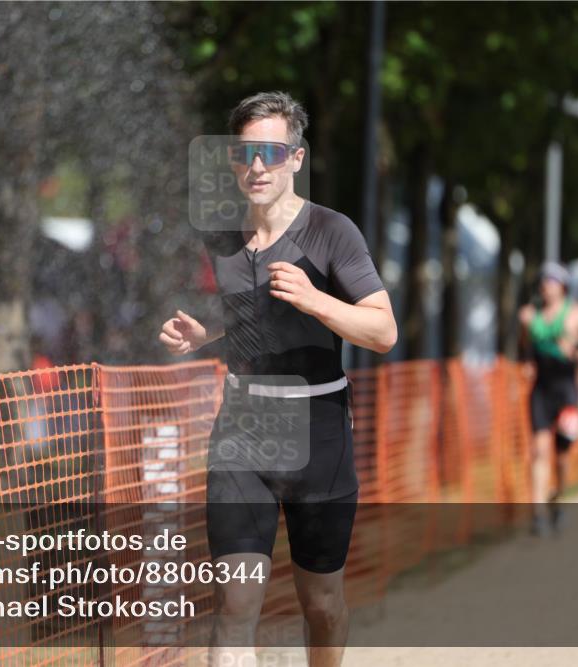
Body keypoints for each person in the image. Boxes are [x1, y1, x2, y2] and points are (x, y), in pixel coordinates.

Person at [158, 91, 397, 667]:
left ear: (296, 158)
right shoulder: (221, 238)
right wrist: (203, 334)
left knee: (322, 602)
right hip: (244, 427)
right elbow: (253, 314)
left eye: (271, 151)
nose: (257, 166)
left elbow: (383, 331)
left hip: (319, 430)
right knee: (236, 606)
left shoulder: (331, 232)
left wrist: (318, 300)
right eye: (245, 154)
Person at [518, 261, 578, 534]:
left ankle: (557, 500)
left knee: (562, 456)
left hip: (567, 391)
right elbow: (525, 346)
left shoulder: (577, 316)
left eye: (552, 281)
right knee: (539, 450)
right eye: (543, 281)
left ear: (563, 286)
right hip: (541, 390)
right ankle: (537, 514)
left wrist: (576, 353)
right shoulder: (527, 315)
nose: (546, 286)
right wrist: (527, 362)